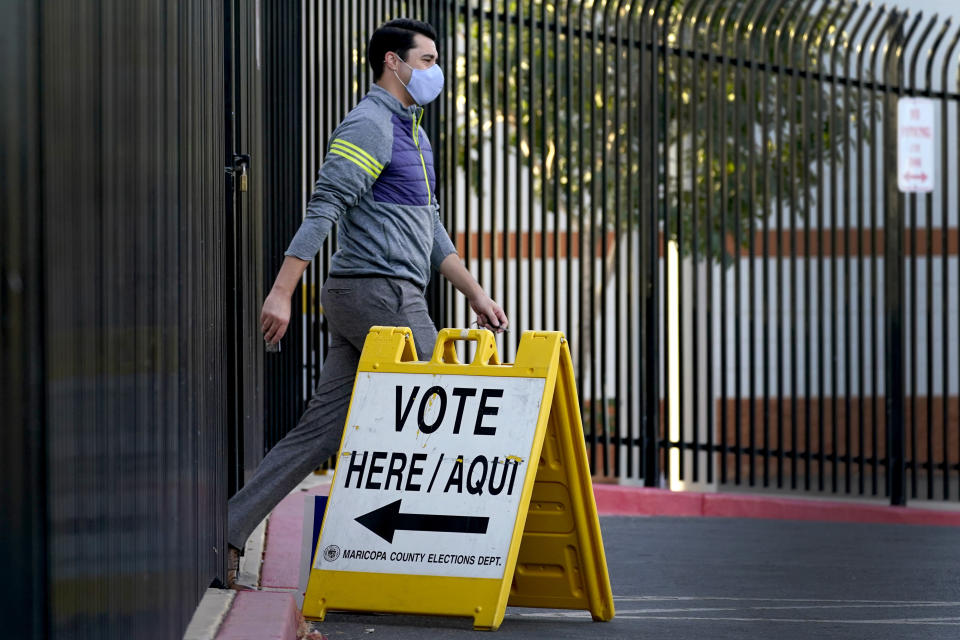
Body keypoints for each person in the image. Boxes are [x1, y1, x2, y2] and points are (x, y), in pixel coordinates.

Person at [224, 18, 508, 589]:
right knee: (447, 407)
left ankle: (229, 531)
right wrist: (282, 290)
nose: (435, 71)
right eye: (426, 60)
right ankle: (442, 561)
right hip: (381, 292)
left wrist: (475, 292)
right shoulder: (370, 123)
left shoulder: (416, 136)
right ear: (392, 63)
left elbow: (432, 234)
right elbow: (325, 205)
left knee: (322, 432)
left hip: (375, 292)